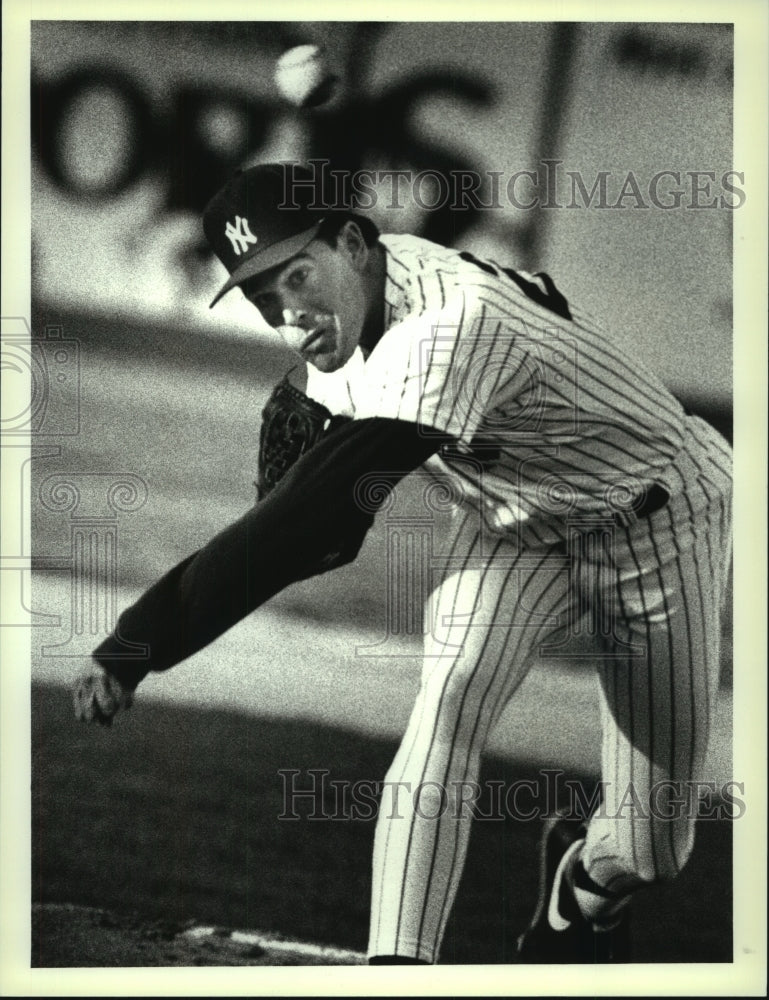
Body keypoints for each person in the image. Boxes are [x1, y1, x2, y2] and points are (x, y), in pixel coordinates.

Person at [74, 162, 733, 965]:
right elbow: (322, 518)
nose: (288, 312)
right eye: (261, 295)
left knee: (649, 847)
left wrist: (140, 639)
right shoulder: (348, 311)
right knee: (449, 699)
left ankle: (580, 893)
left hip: (660, 517)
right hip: (514, 525)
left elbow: (308, 527)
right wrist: (297, 465)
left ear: (352, 243)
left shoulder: (450, 325)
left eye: (297, 275)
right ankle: (397, 967)